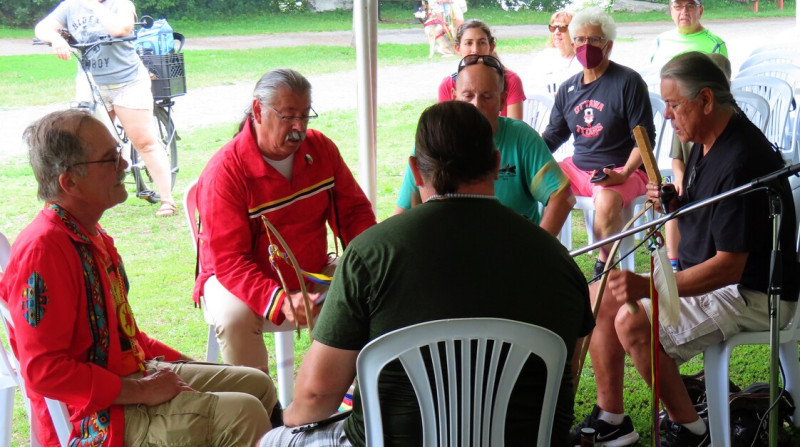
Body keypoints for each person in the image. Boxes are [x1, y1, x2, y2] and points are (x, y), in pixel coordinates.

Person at [260, 100, 594, 447]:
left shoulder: (370, 256)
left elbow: (316, 397)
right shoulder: (557, 261)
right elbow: (565, 376)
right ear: (496, 165)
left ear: (415, 172)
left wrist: (286, 426)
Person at [0, 109, 278, 446]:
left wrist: (192, 370)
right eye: (109, 159)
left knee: (255, 384)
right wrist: (141, 391)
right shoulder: (45, 250)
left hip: (129, 379)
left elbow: (125, 340)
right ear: (69, 182)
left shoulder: (88, 234)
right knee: (243, 414)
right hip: (94, 422)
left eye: (118, 153)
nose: (124, 165)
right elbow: (43, 371)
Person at [571, 52, 799, 447]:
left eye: (674, 105)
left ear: (706, 100)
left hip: (751, 291)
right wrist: (676, 202)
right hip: (718, 278)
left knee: (632, 321)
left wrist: (651, 287)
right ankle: (612, 417)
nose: (666, 116)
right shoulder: (707, 140)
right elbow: (709, 210)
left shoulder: (741, 160)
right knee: (602, 294)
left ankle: (691, 430)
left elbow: (729, 267)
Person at [193, 68, 376, 370]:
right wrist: (278, 299)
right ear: (258, 110)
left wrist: (370, 262)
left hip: (311, 270)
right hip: (236, 280)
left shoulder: (321, 149)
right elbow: (229, 261)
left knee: (373, 287)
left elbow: (354, 213)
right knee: (234, 318)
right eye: (288, 115)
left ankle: (352, 394)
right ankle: (260, 409)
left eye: (305, 116)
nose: (298, 127)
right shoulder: (225, 171)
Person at [396, 55, 574, 236]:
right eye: (468, 96)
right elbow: (404, 210)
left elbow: (562, 196)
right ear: (453, 97)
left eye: (487, 97)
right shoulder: (433, 141)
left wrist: (538, 247)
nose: (476, 105)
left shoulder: (521, 138)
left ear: (502, 100)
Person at [34, 0, 177, 217]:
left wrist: (94, 5)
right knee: (85, 145)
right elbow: (42, 27)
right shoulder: (71, 5)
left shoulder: (120, 3)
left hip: (127, 81)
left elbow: (120, 29)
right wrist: (56, 38)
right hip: (92, 82)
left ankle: (167, 200)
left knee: (144, 142)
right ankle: (89, 197)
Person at [541, 7, 655, 278]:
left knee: (605, 202)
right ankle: (545, 257)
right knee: (538, 180)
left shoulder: (628, 82)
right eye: (580, 39)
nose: (585, 46)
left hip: (622, 169)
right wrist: (528, 157)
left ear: (609, 45)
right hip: (579, 168)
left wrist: (623, 173)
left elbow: (644, 137)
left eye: (594, 39)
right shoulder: (568, 88)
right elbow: (554, 135)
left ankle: (604, 268)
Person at [437, 19, 526, 120]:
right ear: (457, 49)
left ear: (491, 47)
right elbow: (443, 129)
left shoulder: (511, 80)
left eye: (481, 43)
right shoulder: (447, 85)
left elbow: (515, 127)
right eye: (468, 43)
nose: (475, 49)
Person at [648, 0, 727, 73]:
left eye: (690, 6)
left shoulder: (716, 45)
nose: (684, 12)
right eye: (678, 6)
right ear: (671, 11)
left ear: (700, 11)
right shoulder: (660, 41)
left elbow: (722, 85)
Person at [527, 10, 582, 96]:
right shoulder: (543, 57)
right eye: (553, 28)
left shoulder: (583, 62)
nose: (556, 32)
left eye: (562, 28)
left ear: (575, 32)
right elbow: (529, 90)